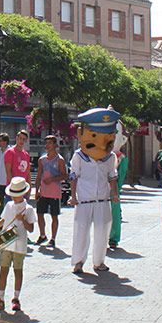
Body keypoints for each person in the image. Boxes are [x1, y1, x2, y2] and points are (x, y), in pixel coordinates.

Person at [69, 108, 121, 274]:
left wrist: (114, 194)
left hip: (102, 200)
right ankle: (78, 262)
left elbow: (112, 176)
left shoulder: (110, 157)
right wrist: (72, 196)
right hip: (84, 200)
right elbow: (74, 176)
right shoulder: (79, 156)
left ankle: (99, 262)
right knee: (81, 232)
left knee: (102, 232)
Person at [0, 176, 37, 313]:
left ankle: (16, 298)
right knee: (3, 269)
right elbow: (3, 220)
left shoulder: (29, 209)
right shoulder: (9, 205)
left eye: (16, 195)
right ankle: (0, 298)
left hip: (19, 244)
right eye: (13, 195)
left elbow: (31, 229)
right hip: (7, 243)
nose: (14, 198)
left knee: (18, 271)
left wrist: (23, 220)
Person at [34, 135, 66, 247]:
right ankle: (42, 235)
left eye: (50, 143)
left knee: (54, 216)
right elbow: (38, 176)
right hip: (43, 192)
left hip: (54, 193)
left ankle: (53, 238)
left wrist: (52, 179)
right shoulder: (41, 160)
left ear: (55, 145)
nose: (47, 145)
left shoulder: (60, 160)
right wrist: (37, 190)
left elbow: (65, 176)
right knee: (39, 214)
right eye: (46, 143)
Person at [109, 125, 129, 249]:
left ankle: (113, 238)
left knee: (114, 212)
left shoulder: (121, 158)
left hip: (113, 190)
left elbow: (119, 177)